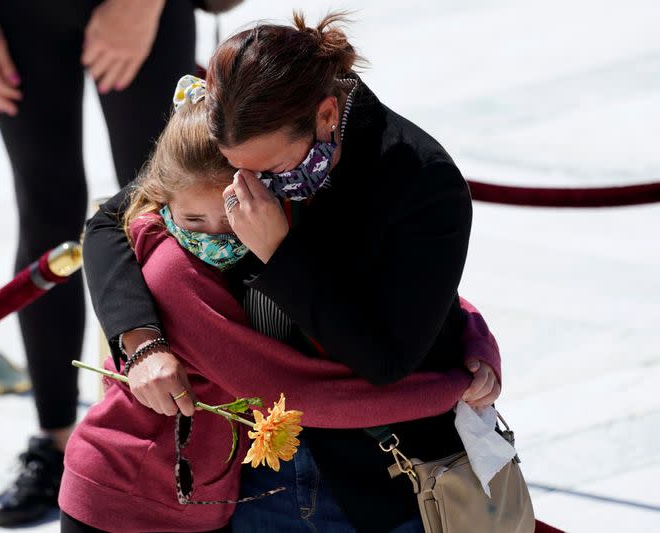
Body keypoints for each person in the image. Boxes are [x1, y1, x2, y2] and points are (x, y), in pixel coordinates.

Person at [59, 75, 502, 533]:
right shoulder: (177, 270)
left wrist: (475, 340)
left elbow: (414, 292)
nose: (214, 234)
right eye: (193, 219)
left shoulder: (272, 220)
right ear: (161, 201)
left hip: (208, 501)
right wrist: (450, 388)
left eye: (231, 209)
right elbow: (293, 393)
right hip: (132, 497)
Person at [0, 0, 196, 526]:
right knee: (43, 210)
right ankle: (53, 439)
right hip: (19, 15)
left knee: (161, 208)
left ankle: (174, 438)